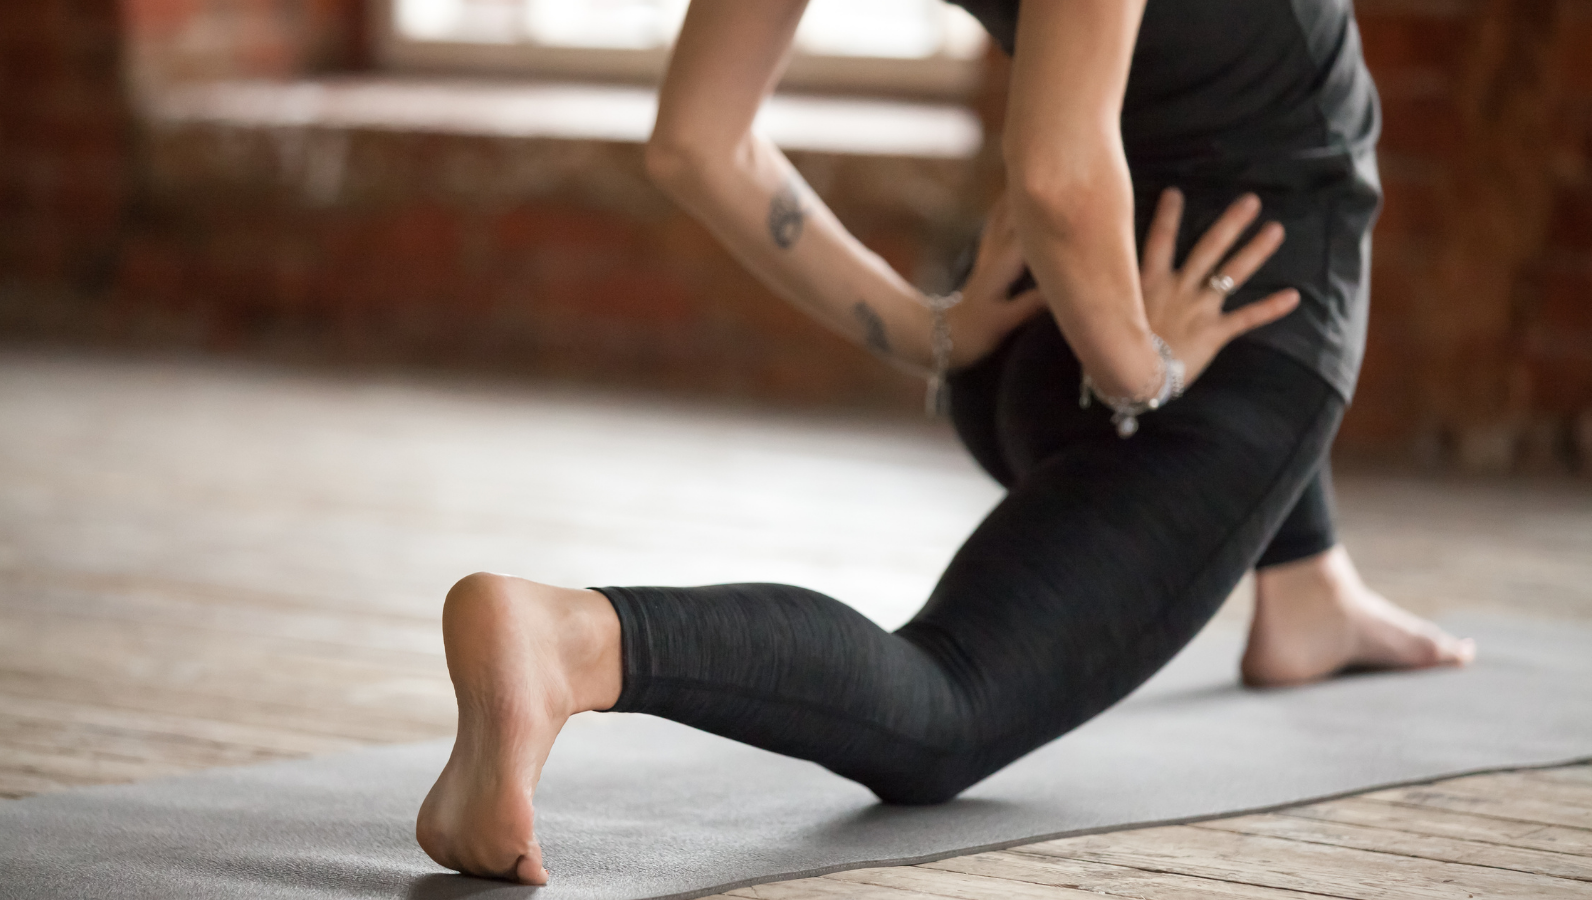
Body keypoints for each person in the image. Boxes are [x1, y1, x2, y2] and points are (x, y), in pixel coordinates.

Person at [415, 0, 1477, 884]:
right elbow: (1064, 178)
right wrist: (1147, 372)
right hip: (1212, 345)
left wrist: (932, 327)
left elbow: (698, 143)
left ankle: (1306, 590)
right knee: (950, 707)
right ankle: (577, 643)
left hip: (1018, 326)